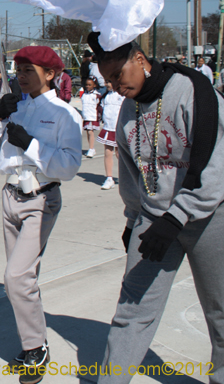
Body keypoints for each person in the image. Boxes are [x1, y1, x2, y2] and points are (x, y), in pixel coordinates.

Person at [91, 32, 224, 384]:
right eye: (107, 80)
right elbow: (131, 170)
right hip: (153, 219)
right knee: (132, 310)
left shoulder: (191, 91)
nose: (115, 85)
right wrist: (133, 218)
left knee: (220, 312)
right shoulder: (128, 108)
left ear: (139, 59)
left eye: (118, 75)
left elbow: (215, 164)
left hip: (207, 217)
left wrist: (178, 216)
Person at [0, 46, 82, 383]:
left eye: (28, 70)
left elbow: (68, 167)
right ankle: (33, 341)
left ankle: (36, 347)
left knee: (16, 277)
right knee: (20, 279)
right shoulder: (13, 107)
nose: (20, 76)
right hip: (10, 197)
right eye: (17, 70)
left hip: (41, 199)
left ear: (50, 74)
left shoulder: (65, 114)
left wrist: (31, 143)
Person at [97, 80, 124, 190]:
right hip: (108, 128)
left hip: (119, 128)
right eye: (106, 82)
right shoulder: (106, 96)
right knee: (108, 152)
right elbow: (102, 109)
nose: (107, 84)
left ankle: (125, 177)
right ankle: (109, 178)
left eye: (109, 81)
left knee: (120, 154)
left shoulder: (121, 96)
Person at [80, 76, 102, 158]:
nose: (87, 86)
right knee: (88, 132)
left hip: (93, 116)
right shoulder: (84, 95)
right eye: (86, 85)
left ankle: (91, 148)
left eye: (90, 85)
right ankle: (91, 147)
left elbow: (99, 107)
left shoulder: (96, 95)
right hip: (86, 116)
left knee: (90, 131)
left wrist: (100, 116)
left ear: (94, 85)